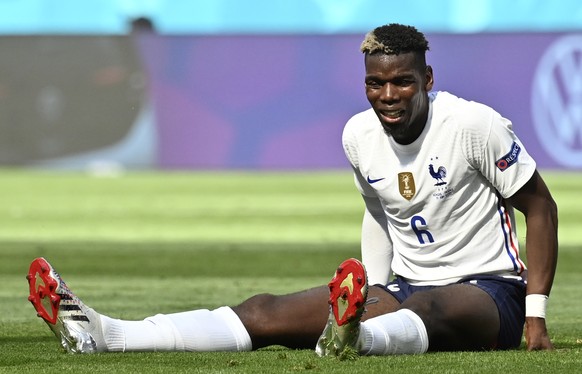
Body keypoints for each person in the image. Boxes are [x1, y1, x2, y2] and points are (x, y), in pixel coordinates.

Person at [27, 23, 557, 356]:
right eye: (376, 83)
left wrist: (535, 318)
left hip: (490, 293)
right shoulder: (358, 135)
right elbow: (380, 213)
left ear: (428, 78)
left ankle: (355, 338)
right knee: (264, 311)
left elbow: (540, 207)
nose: (388, 95)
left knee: (438, 311)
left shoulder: (474, 125)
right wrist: (373, 287)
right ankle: (107, 334)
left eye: (403, 82)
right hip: (406, 288)